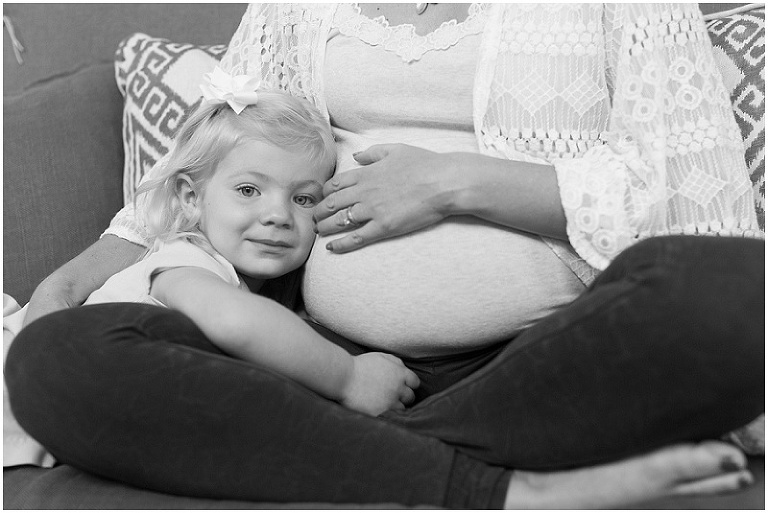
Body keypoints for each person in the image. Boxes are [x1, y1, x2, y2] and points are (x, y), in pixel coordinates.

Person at [5, 3, 764, 509]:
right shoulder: (295, 9)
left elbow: (690, 201)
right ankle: (491, 487)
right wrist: (65, 285)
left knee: (743, 294)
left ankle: (339, 456)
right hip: (304, 361)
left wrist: (454, 184)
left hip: (543, 359)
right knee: (55, 359)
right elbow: (199, 174)